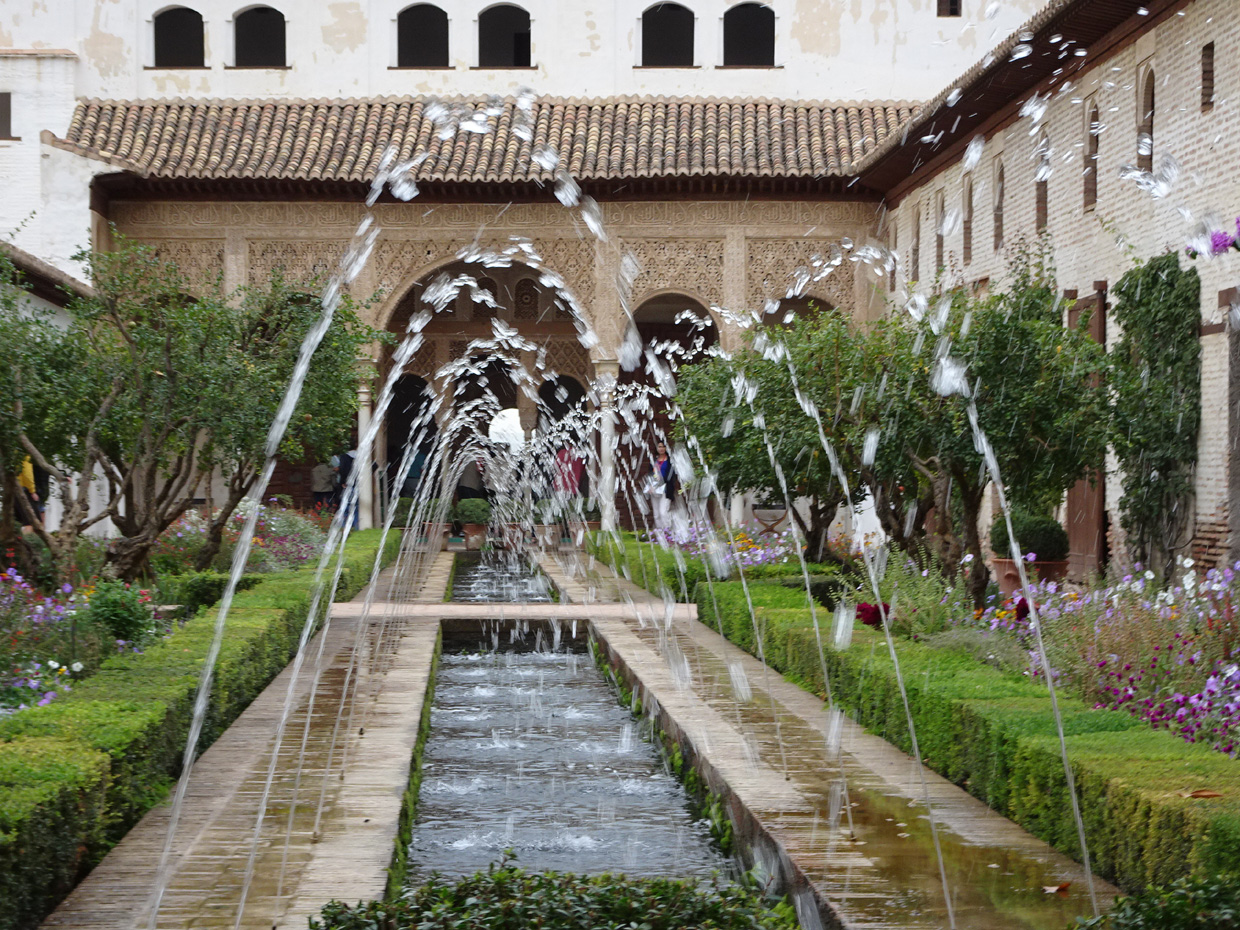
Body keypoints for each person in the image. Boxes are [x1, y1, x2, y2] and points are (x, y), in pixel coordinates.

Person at [643, 441, 678, 531]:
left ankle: (668, 532)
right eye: (659, 447)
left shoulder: (670, 460)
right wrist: (650, 485)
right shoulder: (653, 461)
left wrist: (662, 481)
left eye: (663, 446)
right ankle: (660, 533)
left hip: (665, 489)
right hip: (654, 489)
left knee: (663, 512)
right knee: (656, 514)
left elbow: (671, 475)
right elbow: (650, 474)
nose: (661, 449)